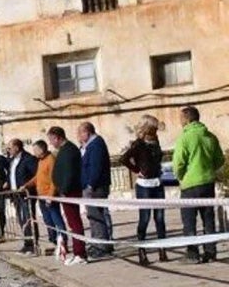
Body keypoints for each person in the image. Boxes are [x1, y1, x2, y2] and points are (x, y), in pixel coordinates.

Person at [172, 106, 225, 264]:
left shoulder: (185, 138)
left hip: (190, 184)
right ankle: (210, 252)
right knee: (208, 218)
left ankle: (193, 254)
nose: (180, 122)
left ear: (187, 119)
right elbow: (220, 159)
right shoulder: (210, 136)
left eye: (181, 118)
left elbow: (178, 163)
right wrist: (209, 170)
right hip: (207, 182)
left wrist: (181, 176)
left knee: (189, 220)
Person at [119, 115, 167, 264]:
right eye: (153, 128)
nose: (155, 131)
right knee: (145, 218)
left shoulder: (156, 141)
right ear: (147, 128)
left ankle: (162, 249)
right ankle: (142, 251)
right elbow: (124, 159)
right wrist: (136, 170)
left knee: (160, 218)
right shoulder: (138, 144)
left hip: (157, 182)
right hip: (144, 185)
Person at [49, 126, 88, 265]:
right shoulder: (63, 150)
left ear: (57, 137)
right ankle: (78, 252)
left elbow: (70, 172)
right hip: (65, 191)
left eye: (51, 140)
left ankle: (80, 253)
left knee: (75, 222)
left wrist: (64, 189)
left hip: (69, 191)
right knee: (72, 222)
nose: (51, 143)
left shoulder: (69, 150)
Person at [21, 140, 66, 258]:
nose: (33, 152)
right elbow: (38, 177)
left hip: (49, 196)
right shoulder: (40, 161)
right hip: (41, 196)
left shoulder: (51, 160)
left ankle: (63, 241)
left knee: (56, 219)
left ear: (41, 149)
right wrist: (27, 185)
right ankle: (53, 240)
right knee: (48, 221)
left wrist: (50, 196)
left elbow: (53, 180)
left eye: (35, 149)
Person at [78, 122, 113, 258]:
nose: (79, 136)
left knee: (97, 216)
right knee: (93, 216)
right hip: (90, 186)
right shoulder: (88, 146)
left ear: (87, 132)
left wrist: (91, 185)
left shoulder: (96, 145)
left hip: (96, 187)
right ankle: (96, 243)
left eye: (80, 133)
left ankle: (101, 246)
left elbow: (95, 167)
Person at [7, 139, 38, 255]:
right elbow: (10, 176)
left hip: (26, 194)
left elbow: (35, 175)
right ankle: (27, 243)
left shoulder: (28, 159)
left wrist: (26, 186)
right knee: (21, 220)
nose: (8, 150)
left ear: (16, 147)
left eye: (10, 148)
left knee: (28, 219)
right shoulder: (12, 161)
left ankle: (32, 244)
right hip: (16, 195)